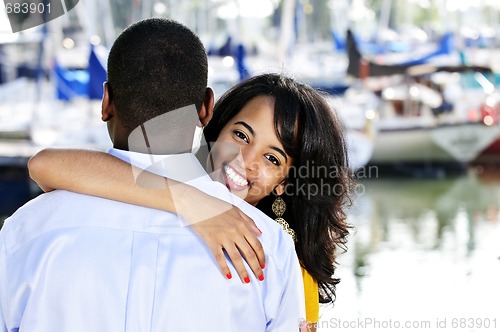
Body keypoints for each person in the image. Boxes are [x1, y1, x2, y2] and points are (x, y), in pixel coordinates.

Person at [0, 19, 306, 331]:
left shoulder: (25, 230)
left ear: (106, 102)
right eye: (242, 137)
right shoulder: (268, 247)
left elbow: (41, 164)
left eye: (271, 157)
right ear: (206, 109)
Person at [28, 73, 354, 330]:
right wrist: (193, 202)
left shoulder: (283, 261)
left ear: (285, 183)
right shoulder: (160, 181)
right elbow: (45, 165)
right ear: (215, 127)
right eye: (240, 135)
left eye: (272, 158)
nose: (245, 160)